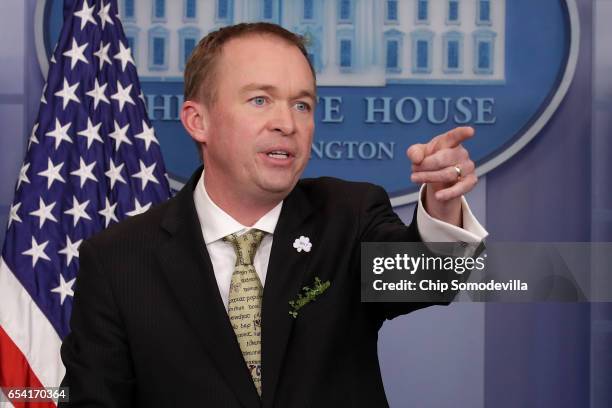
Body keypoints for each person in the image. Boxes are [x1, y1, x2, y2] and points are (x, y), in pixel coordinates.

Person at [59, 23, 487, 407]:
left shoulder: (347, 217)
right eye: (260, 100)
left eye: (302, 105)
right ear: (197, 121)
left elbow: (426, 278)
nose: (287, 122)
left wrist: (442, 199)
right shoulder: (118, 260)